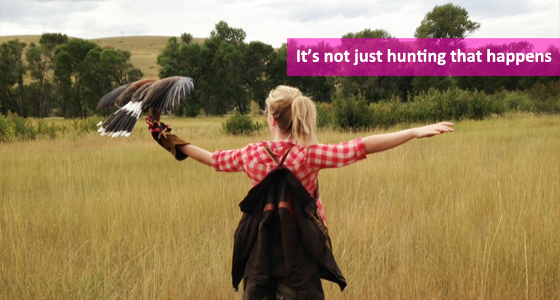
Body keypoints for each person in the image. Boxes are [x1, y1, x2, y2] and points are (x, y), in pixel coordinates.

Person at [148, 85, 454, 299]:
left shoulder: (251, 154)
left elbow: (212, 159)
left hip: (260, 250)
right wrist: (413, 132)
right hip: (301, 253)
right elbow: (360, 146)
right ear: (297, 117)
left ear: (270, 118)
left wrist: (166, 137)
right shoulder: (309, 155)